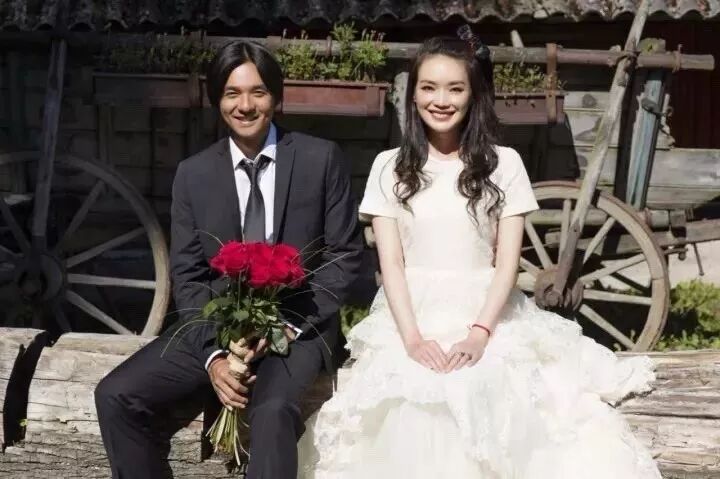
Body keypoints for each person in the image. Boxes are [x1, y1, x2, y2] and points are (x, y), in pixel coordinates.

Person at [297, 34, 661, 479]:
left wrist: (480, 334)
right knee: (412, 398)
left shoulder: (503, 164)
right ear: (413, 94)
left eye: (455, 88)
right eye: (429, 87)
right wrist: (412, 340)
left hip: (487, 310)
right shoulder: (389, 167)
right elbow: (391, 264)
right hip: (411, 314)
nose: (441, 100)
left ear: (473, 94)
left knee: (489, 389)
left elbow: (507, 263)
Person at [94, 40, 364, 479]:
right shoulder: (193, 174)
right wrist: (216, 358)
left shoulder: (320, 159)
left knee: (272, 410)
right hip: (217, 326)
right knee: (115, 394)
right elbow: (188, 275)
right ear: (217, 100)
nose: (245, 105)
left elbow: (345, 255)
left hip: (297, 324)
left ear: (276, 97)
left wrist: (288, 326)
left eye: (258, 92)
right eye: (232, 93)